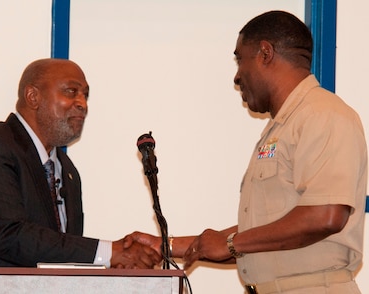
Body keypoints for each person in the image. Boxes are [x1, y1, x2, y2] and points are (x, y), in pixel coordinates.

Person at [128, 10, 368, 294]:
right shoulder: (283, 127)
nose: (237, 76)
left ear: (265, 53)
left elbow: (325, 216)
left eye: (240, 60)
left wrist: (230, 242)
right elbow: (268, 234)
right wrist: (167, 245)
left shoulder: (324, 115)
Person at [0, 58, 161, 294]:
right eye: (71, 91)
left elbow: (58, 259)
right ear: (33, 96)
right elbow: (11, 236)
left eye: (85, 95)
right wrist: (111, 252)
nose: (82, 104)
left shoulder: (67, 170)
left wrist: (112, 264)